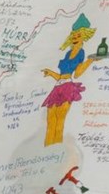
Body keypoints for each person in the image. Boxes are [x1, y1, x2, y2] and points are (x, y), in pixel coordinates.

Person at [41, 13, 99, 146]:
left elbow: (77, 74)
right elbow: (61, 75)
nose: (74, 38)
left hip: (67, 87)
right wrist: (50, 73)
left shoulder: (81, 53)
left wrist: (90, 60)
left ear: (84, 36)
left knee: (60, 120)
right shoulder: (68, 53)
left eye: (78, 35)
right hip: (57, 87)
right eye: (73, 35)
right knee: (50, 120)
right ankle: (48, 147)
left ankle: (56, 149)